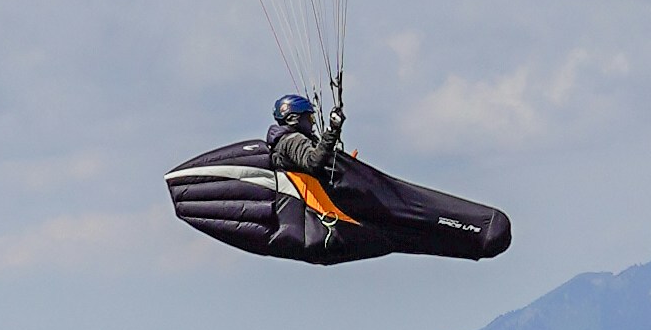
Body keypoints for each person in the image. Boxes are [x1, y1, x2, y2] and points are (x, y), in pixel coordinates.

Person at [168, 96, 511, 270]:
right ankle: (478, 233)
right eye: (308, 118)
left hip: (335, 226)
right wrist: (333, 129)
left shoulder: (286, 141)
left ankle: (476, 237)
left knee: (410, 232)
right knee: (409, 221)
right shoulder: (289, 142)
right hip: (337, 222)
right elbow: (315, 162)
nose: (311, 123)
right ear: (294, 119)